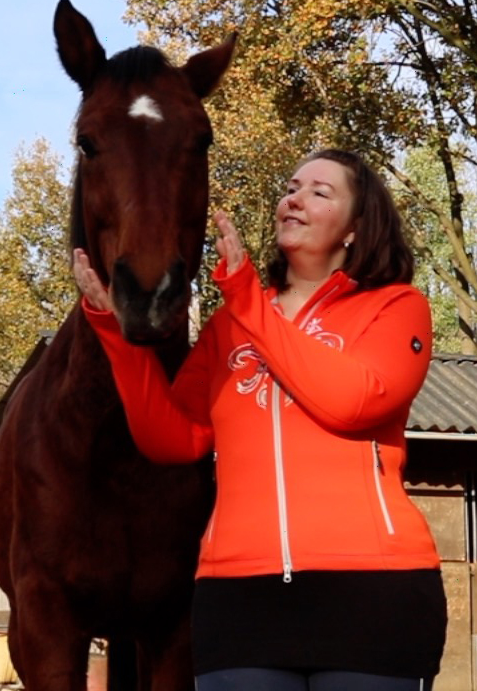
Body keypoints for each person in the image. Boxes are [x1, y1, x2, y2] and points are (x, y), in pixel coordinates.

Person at [74, 149, 447, 691]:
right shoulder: (230, 323)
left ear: (356, 228)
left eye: (320, 192)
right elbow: (172, 438)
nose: (294, 198)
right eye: (292, 186)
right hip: (237, 595)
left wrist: (250, 301)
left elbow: (354, 401)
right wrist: (114, 331)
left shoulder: (396, 306)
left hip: (374, 591)